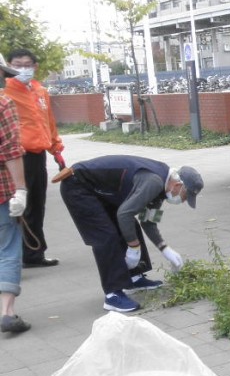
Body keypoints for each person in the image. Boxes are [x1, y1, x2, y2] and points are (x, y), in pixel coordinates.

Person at [58, 156, 204, 313]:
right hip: (78, 186)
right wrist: (133, 247)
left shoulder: (162, 188)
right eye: (185, 196)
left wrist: (164, 248)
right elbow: (124, 214)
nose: (182, 201)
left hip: (99, 190)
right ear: (178, 185)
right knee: (106, 236)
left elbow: (148, 221)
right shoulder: (154, 183)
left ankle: (133, 278)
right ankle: (112, 295)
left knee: (130, 226)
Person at [3, 48, 64, 268]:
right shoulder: (5, 91)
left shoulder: (39, 90)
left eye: (27, 64)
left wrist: (56, 147)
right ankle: (13, 257)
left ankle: (33, 254)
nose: (22, 69)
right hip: (15, 156)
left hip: (37, 155)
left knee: (37, 205)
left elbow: (48, 122)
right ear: (8, 65)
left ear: (35, 67)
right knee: (16, 205)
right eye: (17, 64)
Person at [0, 55, 29, 335]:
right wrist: (20, 189)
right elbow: (10, 150)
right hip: (0, 191)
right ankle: (7, 312)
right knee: (7, 249)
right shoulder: (3, 103)